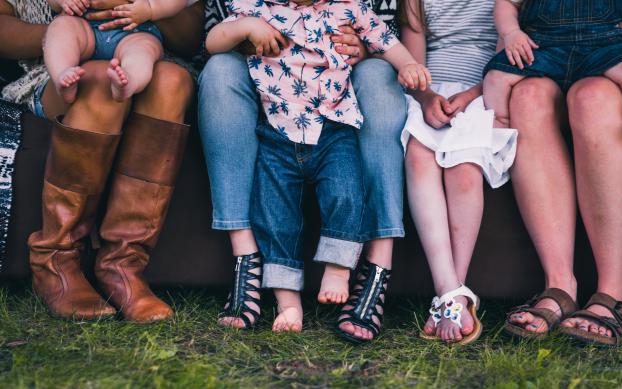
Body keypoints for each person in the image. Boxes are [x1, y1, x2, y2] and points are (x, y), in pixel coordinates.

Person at [205, 0, 430, 333]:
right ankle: (288, 303)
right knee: (274, 213)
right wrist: (244, 28)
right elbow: (212, 42)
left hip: (333, 126)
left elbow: (385, 39)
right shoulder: (258, 7)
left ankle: (339, 270)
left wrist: (407, 64)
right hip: (277, 129)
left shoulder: (349, 7)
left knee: (346, 194)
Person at [0, 0, 202, 323]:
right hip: (61, 64)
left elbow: (193, 36)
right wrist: (61, 36)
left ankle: (122, 265)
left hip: (146, 53)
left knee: (171, 82)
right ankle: (55, 261)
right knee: (95, 81)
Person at [498, 0, 622, 346]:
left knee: (592, 99)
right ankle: (559, 283)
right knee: (528, 99)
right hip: (547, 56)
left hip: (612, 60)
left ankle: (614, 290)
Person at [400, 0, 517, 343]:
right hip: (430, 94)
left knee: (464, 168)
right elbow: (413, 63)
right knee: (419, 156)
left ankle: (454, 290)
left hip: (482, 92)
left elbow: (505, 59)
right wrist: (425, 97)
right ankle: (449, 290)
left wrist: (469, 96)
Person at [484, 0, 622, 141]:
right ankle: (500, 121)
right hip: (542, 48)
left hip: (603, 47)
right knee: (496, 76)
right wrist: (511, 32)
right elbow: (506, 3)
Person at [44, 0, 189, 103]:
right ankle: (63, 75)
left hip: (136, 31)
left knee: (143, 50)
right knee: (60, 28)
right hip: (85, 26)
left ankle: (130, 81)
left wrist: (151, 8)